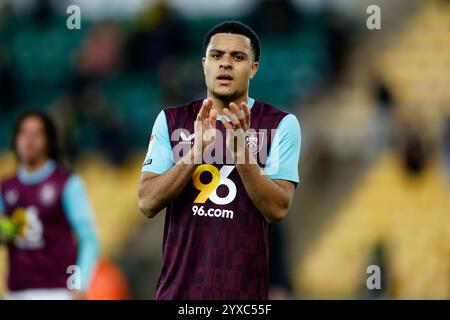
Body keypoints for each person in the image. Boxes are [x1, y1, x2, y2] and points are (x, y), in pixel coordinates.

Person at [138, 21, 301, 300]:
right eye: (217, 56)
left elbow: (276, 209)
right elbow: (147, 202)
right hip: (177, 295)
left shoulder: (281, 125)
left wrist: (241, 153)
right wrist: (195, 151)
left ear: (254, 68)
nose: (225, 64)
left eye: (237, 57)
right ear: (204, 64)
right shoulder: (171, 121)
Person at [0, 111, 100, 300]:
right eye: (23, 133)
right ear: (15, 139)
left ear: (49, 140)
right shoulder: (6, 187)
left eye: (36, 134)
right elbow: (4, 233)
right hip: (15, 291)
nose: (29, 140)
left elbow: (88, 239)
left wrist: (79, 284)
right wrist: (7, 230)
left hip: (57, 291)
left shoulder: (67, 183)